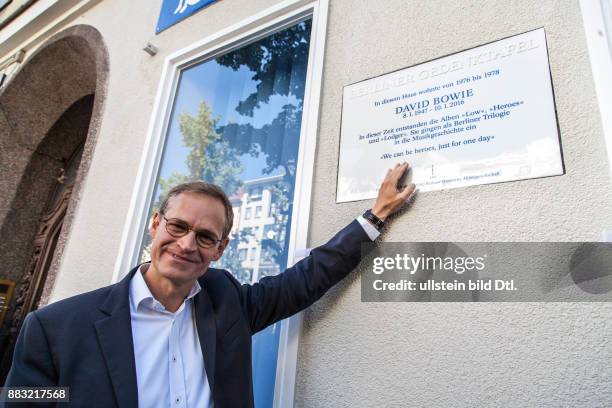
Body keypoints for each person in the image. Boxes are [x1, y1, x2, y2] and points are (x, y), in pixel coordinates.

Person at [5, 162, 416, 407]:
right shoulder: (55, 328)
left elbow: (303, 281)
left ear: (220, 248)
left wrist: (374, 217)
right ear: (154, 225)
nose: (186, 244)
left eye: (204, 237)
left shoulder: (226, 302)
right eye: (178, 226)